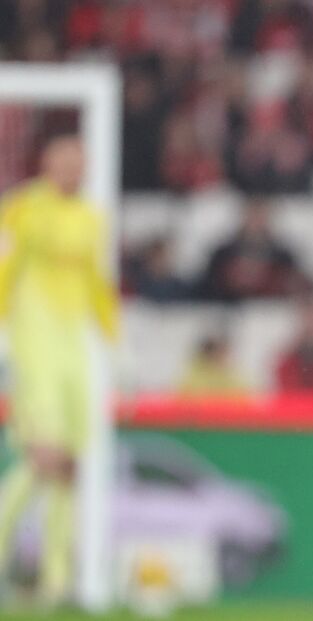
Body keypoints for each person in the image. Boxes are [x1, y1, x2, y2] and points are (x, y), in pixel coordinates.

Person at [0, 135, 120, 606]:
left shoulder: (92, 220)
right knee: (42, 457)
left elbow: (97, 283)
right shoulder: (23, 210)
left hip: (73, 348)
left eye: (80, 162)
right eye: (65, 161)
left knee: (68, 467)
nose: (74, 169)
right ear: (47, 162)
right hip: (34, 344)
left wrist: (114, 341)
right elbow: (5, 270)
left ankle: (55, 582)